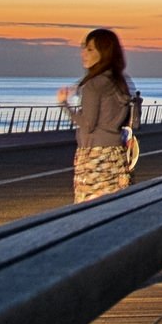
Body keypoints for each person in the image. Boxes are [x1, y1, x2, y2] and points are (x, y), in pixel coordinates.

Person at [57, 28, 133, 203]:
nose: (84, 53)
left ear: (104, 53)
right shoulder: (119, 81)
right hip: (115, 154)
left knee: (87, 211)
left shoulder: (93, 85)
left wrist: (64, 104)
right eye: (84, 48)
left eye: (90, 49)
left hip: (94, 157)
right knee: (114, 208)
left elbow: (88, 124)